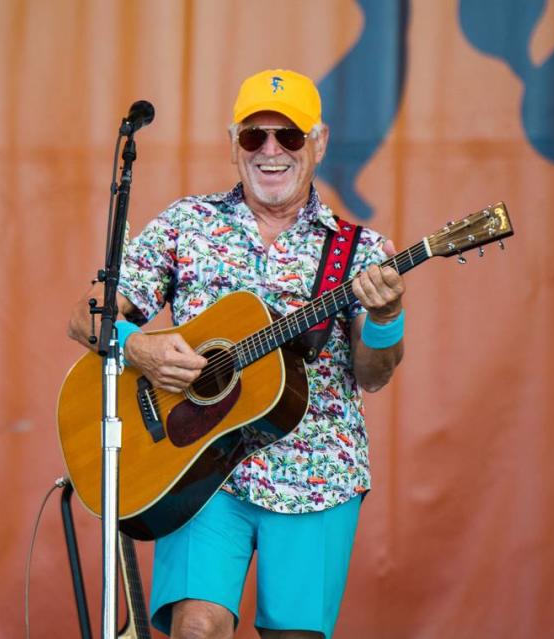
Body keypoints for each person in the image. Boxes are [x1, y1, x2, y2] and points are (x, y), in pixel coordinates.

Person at [68, 69, 406, 639]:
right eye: (254, 137)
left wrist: (385, 316)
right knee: (195, 629)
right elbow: (88, 314)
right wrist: (140, 347)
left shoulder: (359, 251)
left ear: (318, 143)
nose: (270, 151)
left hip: (317, 472)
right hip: (198, 466)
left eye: (289, 137)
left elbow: (373, 375)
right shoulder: (186, 224)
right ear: (234, 146)